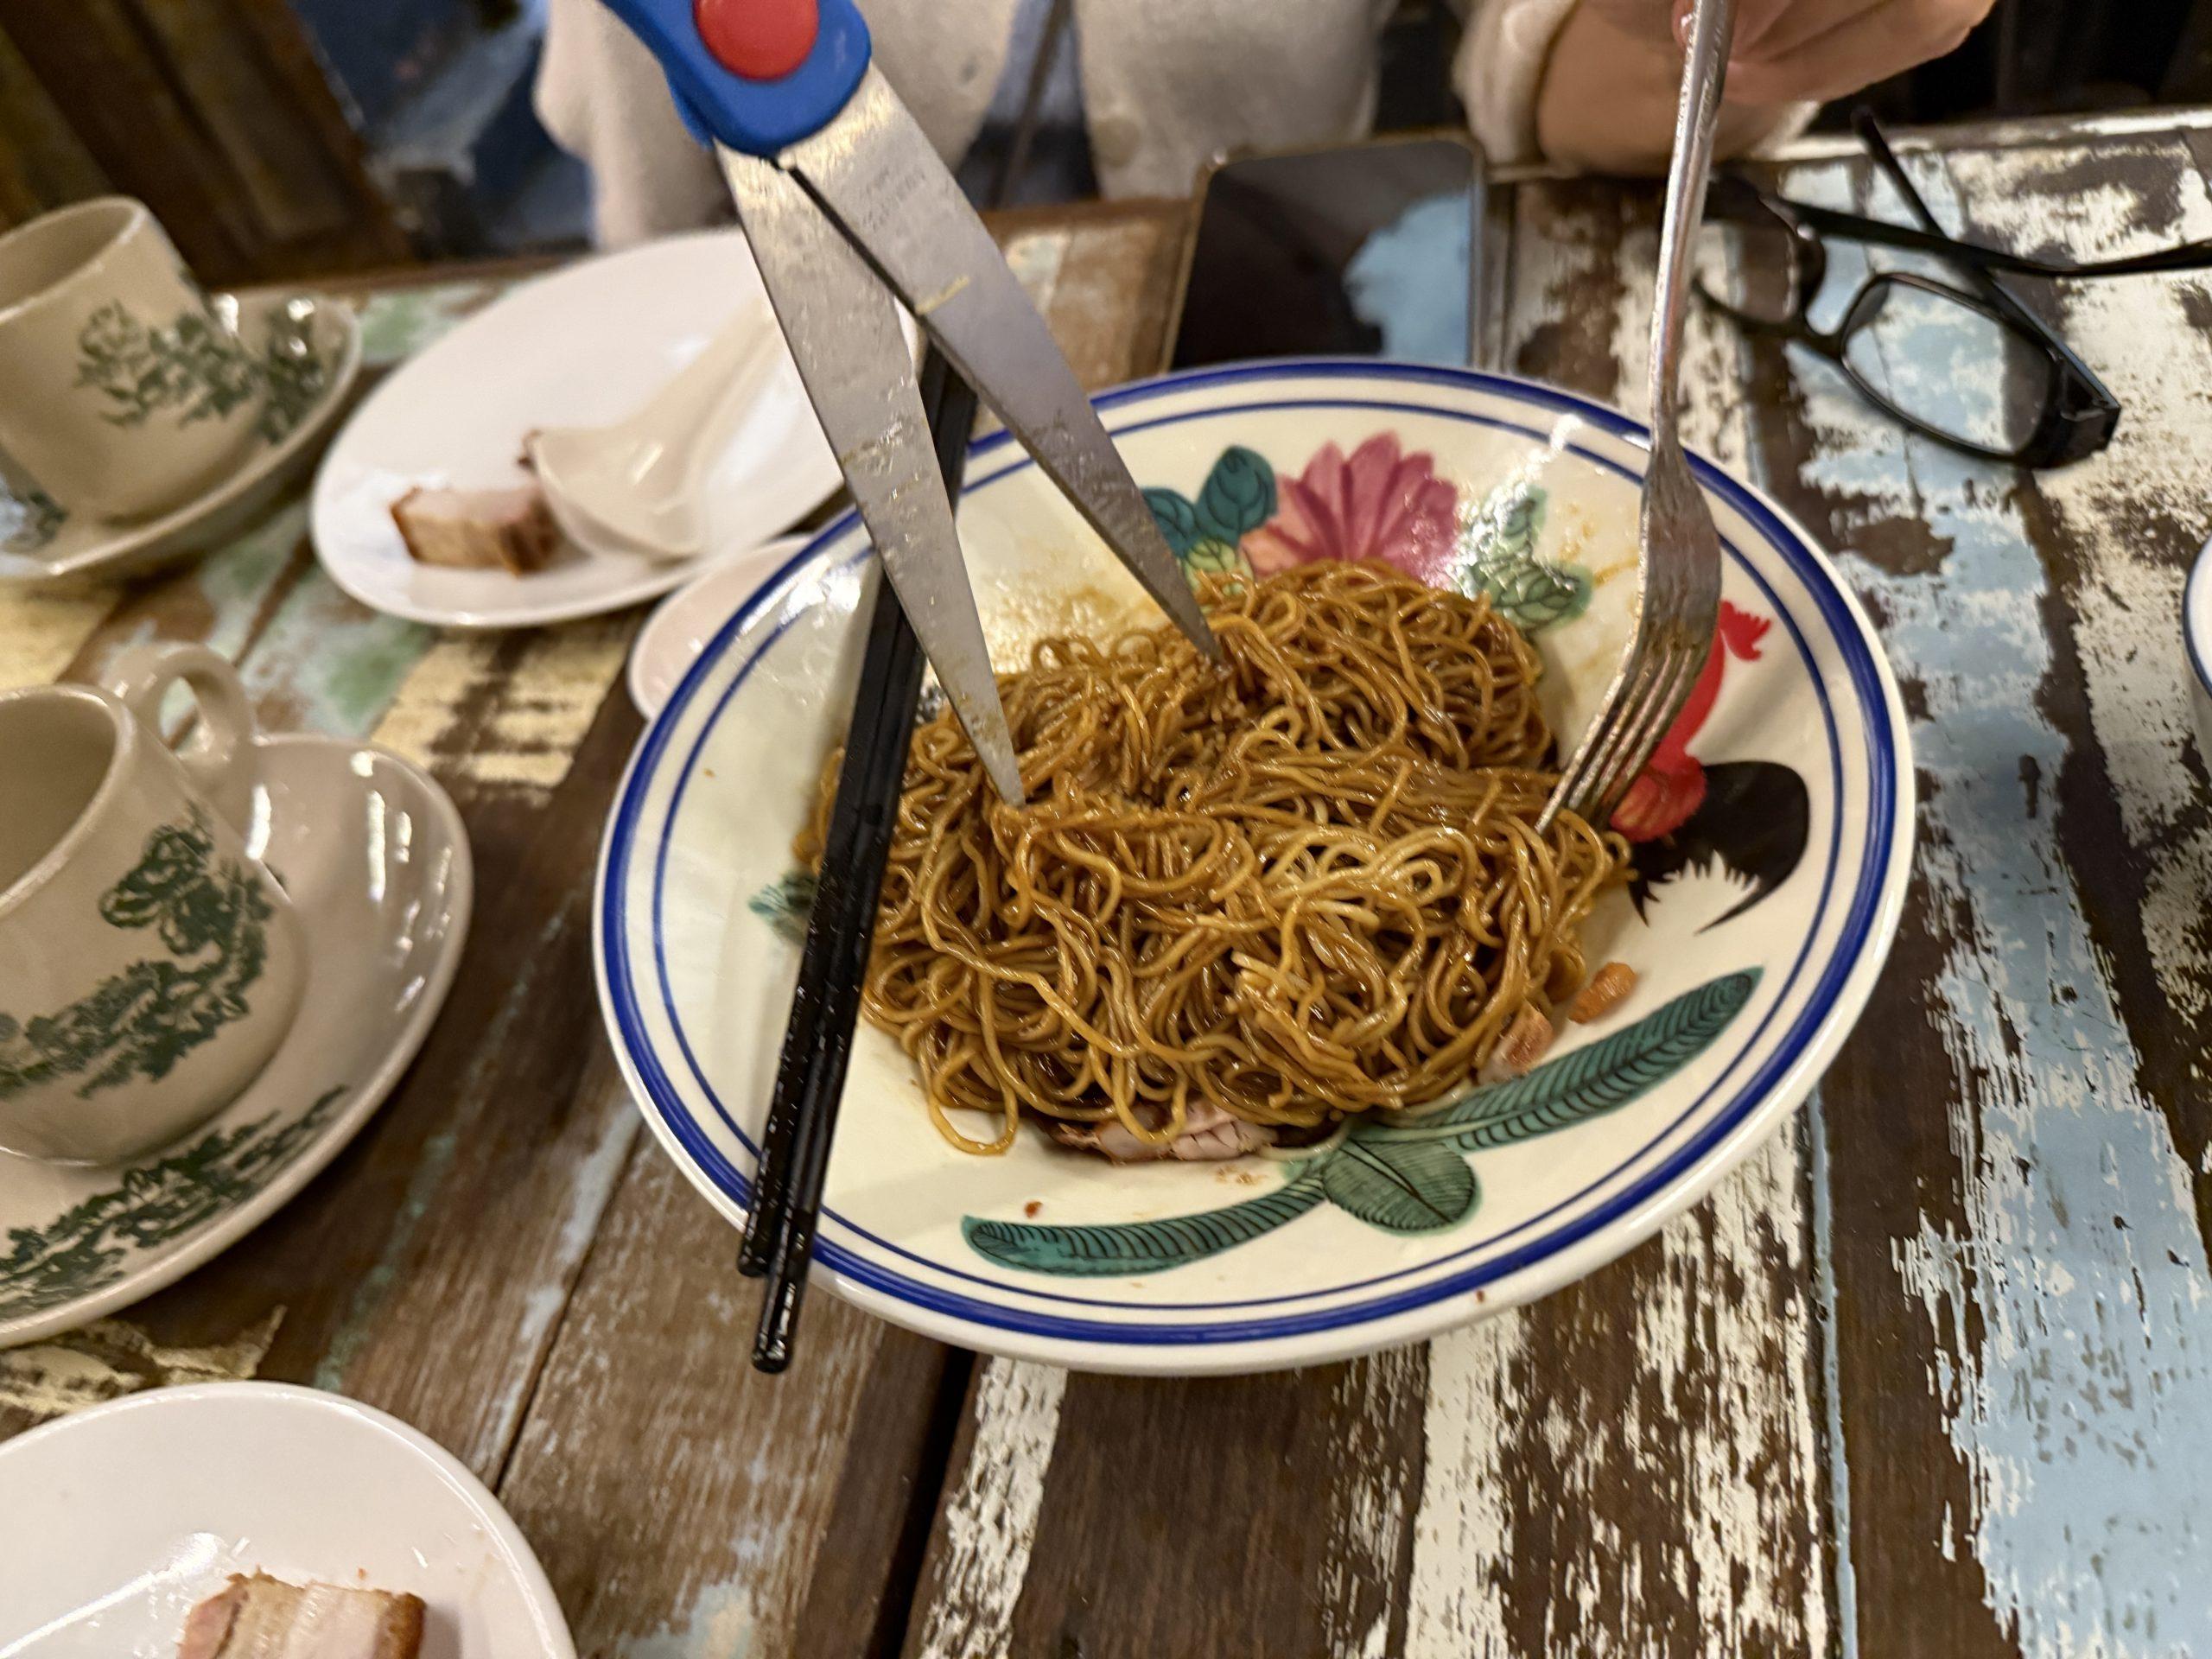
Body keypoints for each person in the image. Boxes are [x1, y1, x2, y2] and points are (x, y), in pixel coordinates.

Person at [537, 0, 1995, 247]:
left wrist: (1728, 39)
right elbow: (655, 239)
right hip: (796, 405)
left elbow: (1540, 68)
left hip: (1286, 318)